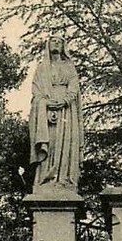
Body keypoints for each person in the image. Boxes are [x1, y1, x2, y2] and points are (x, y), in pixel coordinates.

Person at [29, 33, 83, 189]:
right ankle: (46, 179)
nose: (56, 44)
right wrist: (45, 104)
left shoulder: (69, 66)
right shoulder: (42, 68)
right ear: (48, 45)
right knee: (50, 142)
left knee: (65, 142)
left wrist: (64, 101)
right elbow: (36, 89)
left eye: (59, 42)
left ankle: (63, 178)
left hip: (66, 110)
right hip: (46, 108)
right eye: (53, 41)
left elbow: (74, 88)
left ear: (63, 46)